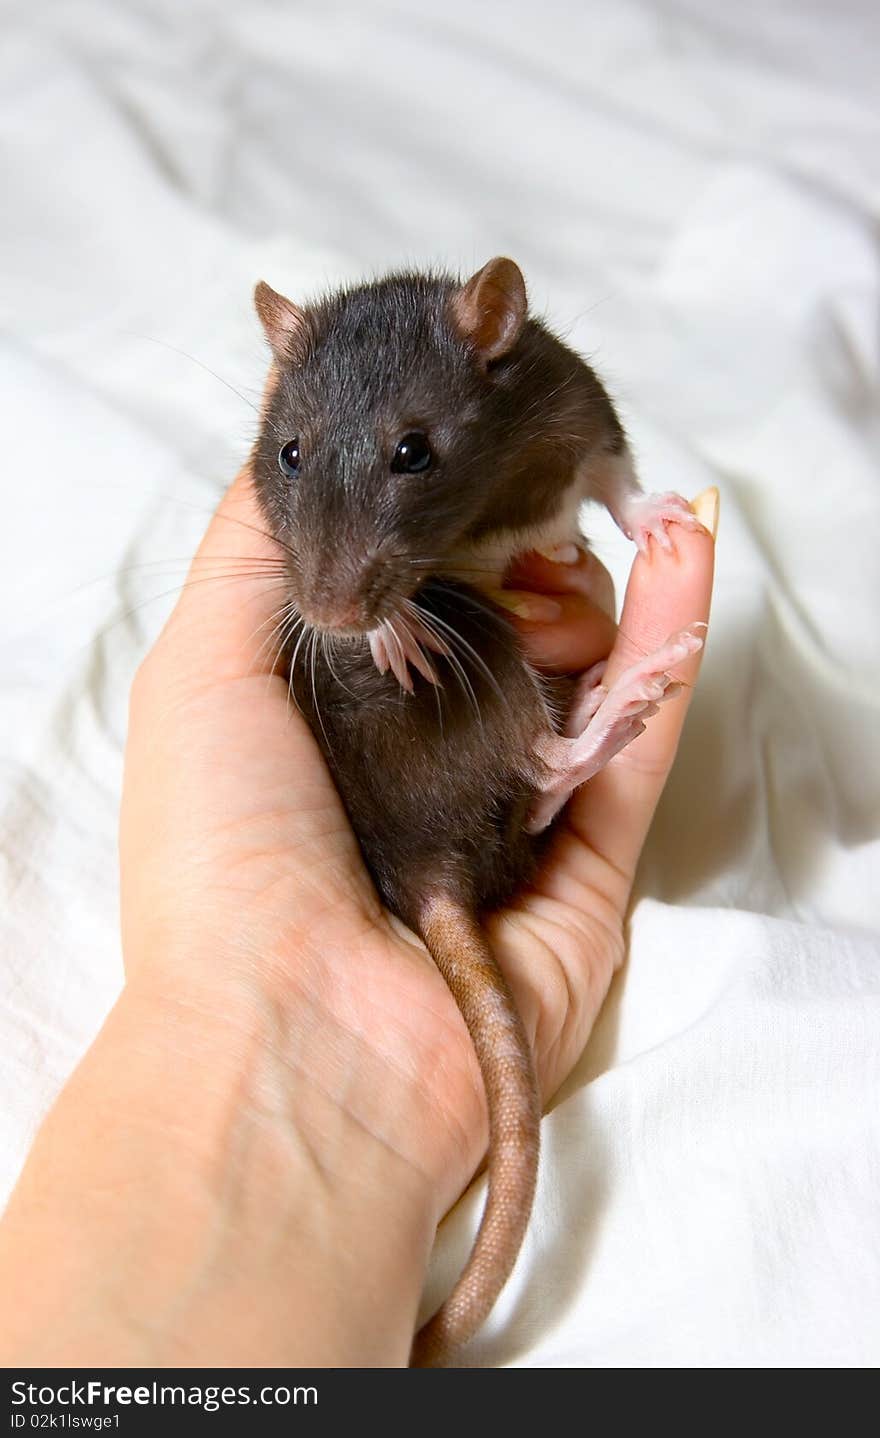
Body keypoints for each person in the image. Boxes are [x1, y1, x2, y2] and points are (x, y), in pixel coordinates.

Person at [0, 470, 717, 1368]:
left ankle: (545, 761)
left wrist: (620, 500)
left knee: (485, 640)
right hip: (415, 839)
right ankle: (547, 760)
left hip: (456, 840)